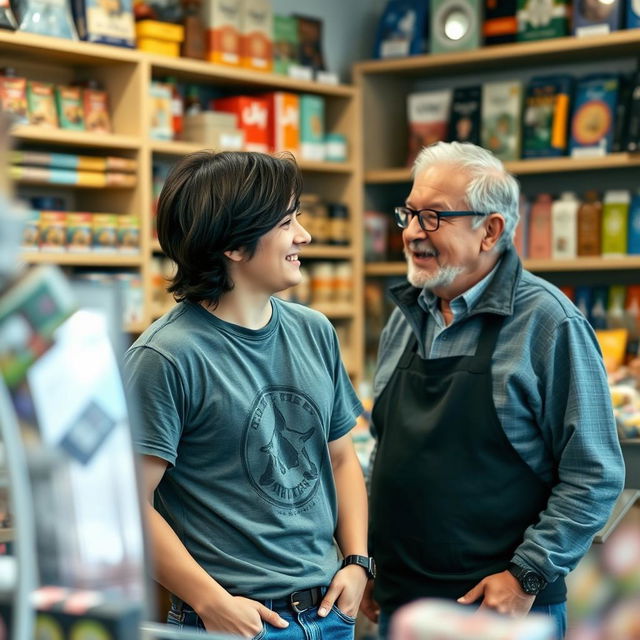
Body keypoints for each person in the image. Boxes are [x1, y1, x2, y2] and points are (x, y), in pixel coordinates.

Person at [360, 141, 625, 639]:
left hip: (498, 611)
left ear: (490, 230)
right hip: (399, 600)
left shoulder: (549, 324)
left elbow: (595, 475)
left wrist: (525, 578)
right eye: (410, 214)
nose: (414, 232)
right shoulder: (406, 317)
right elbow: (386, 452)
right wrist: (370, 558)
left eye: (434, 217)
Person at [124, 150, 373, 639]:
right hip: (236, 622)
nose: (303, 234)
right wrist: (210, 601)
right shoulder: (166, 356)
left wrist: (358, 563)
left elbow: (342, 459)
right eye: (286, 221)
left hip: (328, 612)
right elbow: (129, 505)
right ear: (235, 246)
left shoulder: (315, 331)